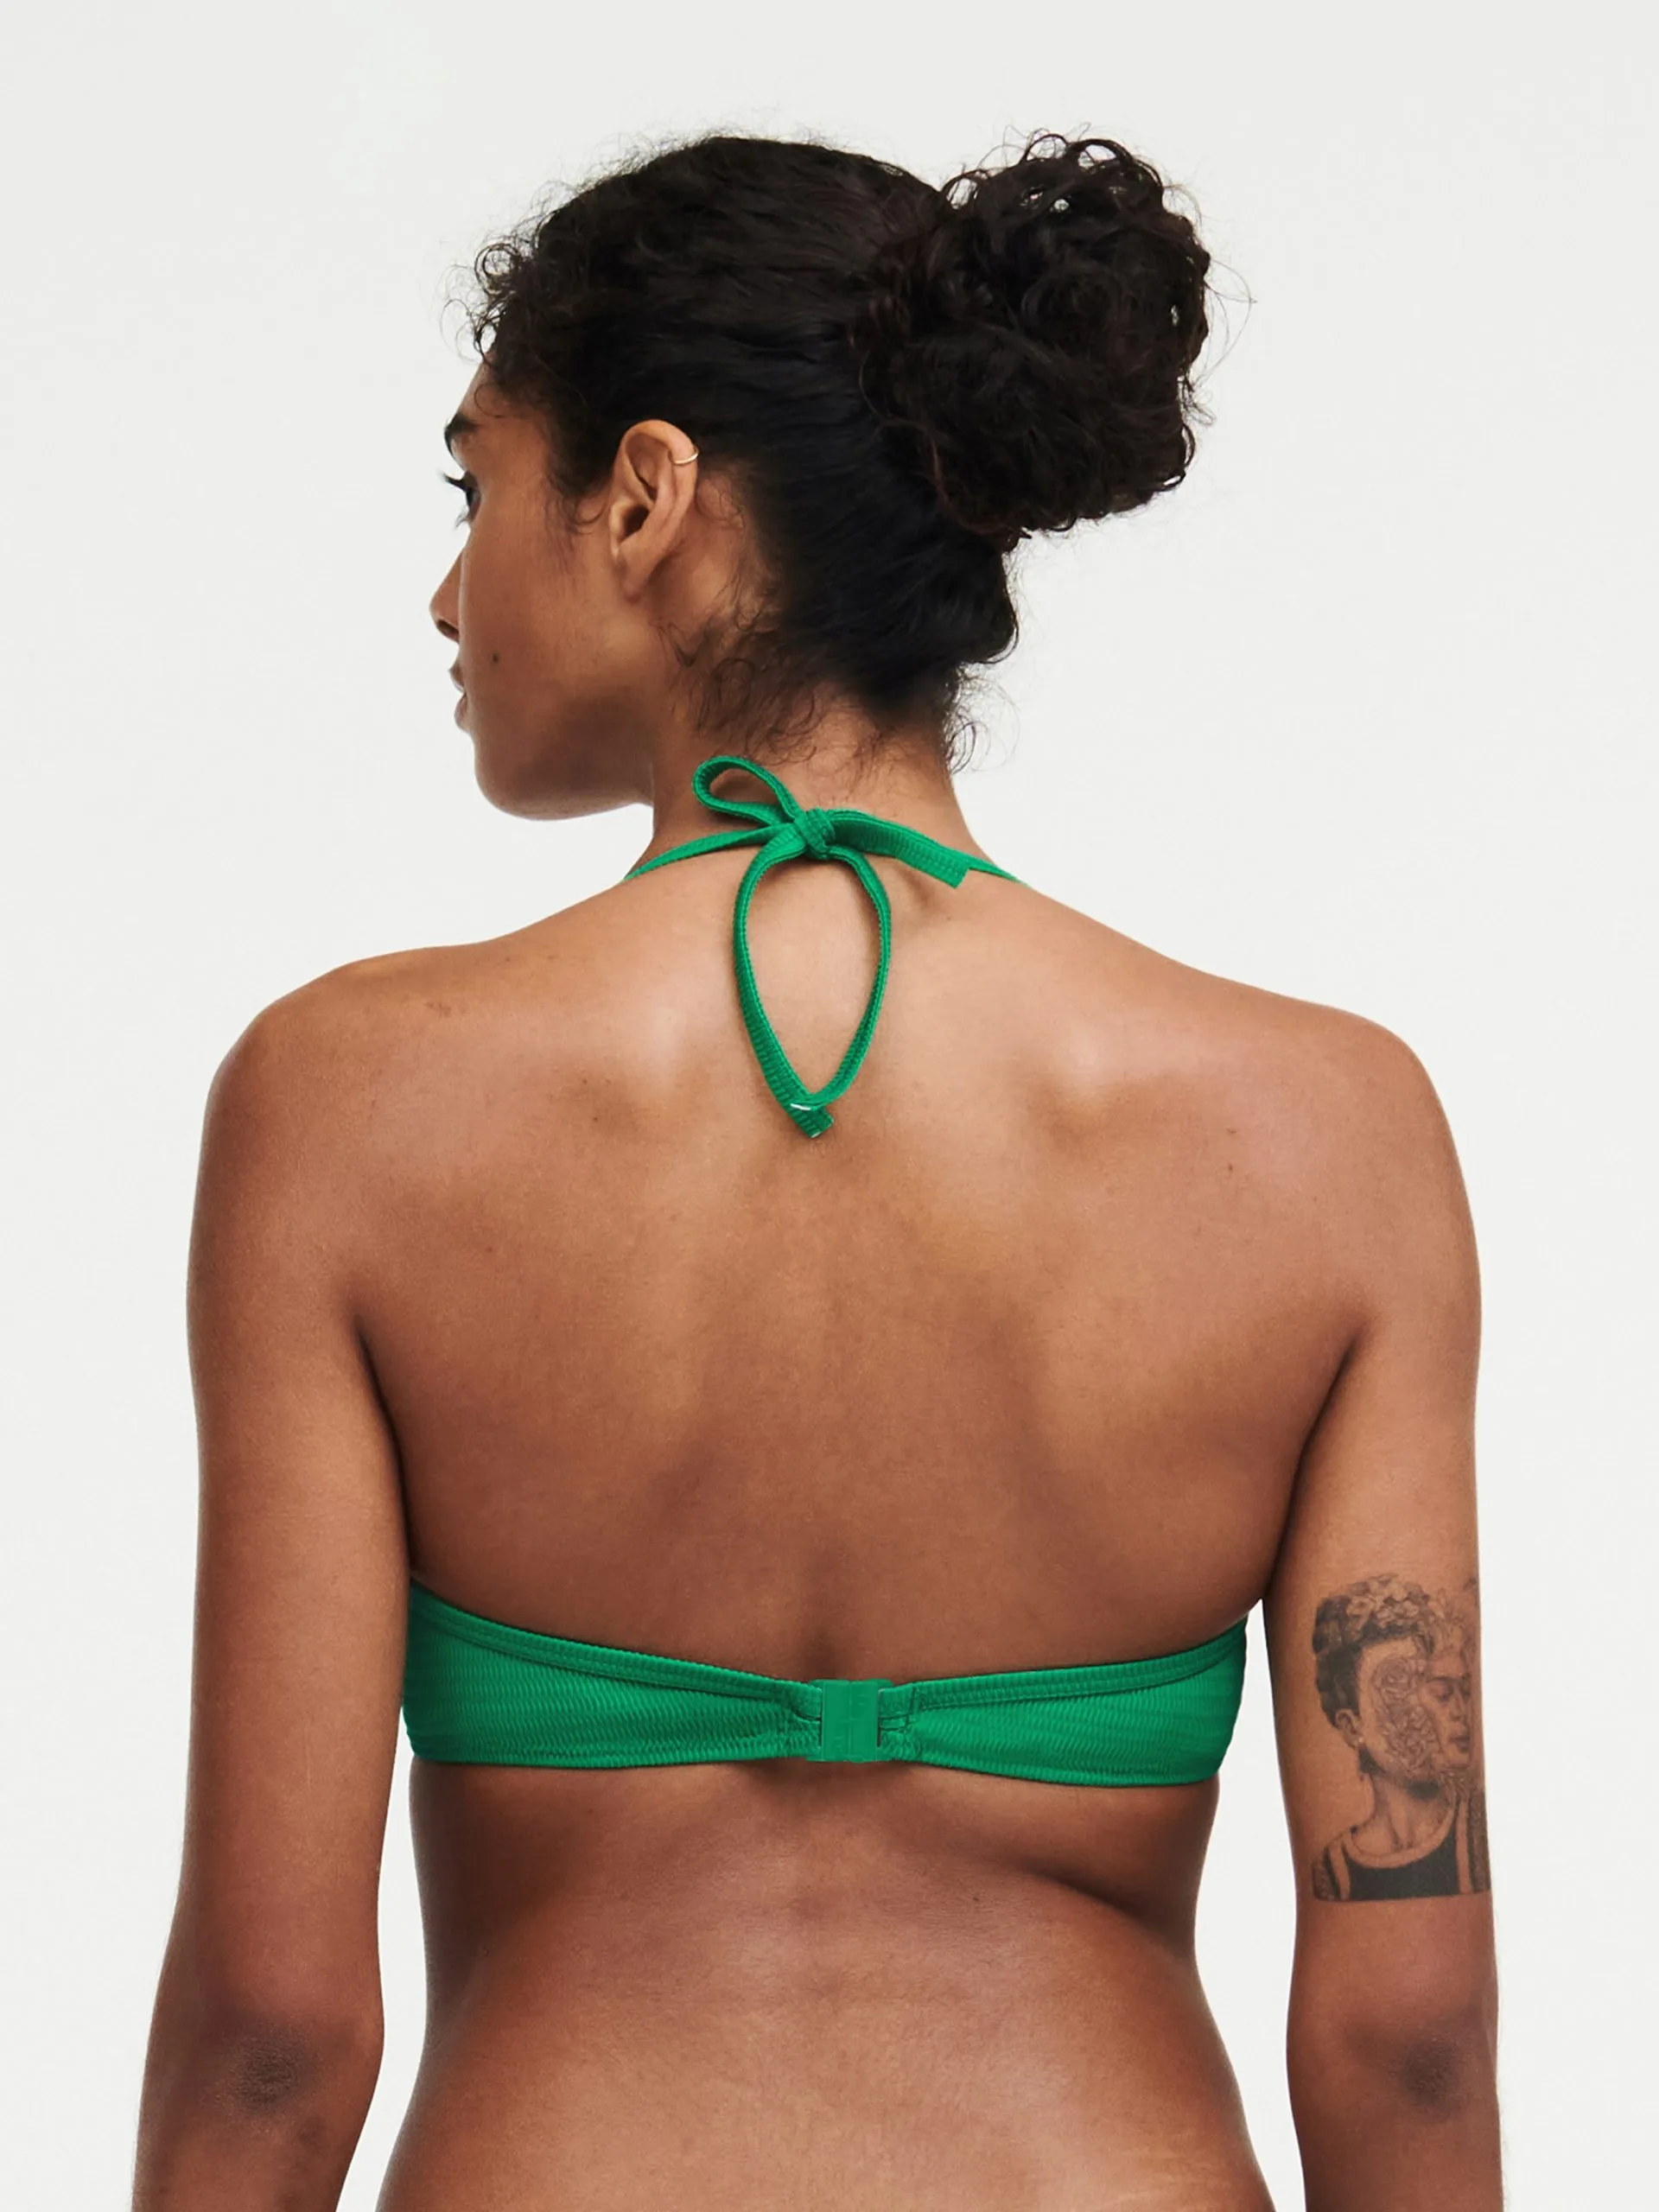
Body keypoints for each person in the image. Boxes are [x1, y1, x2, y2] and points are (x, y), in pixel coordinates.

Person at [132, 130, 1501, 2211]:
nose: (447, 589)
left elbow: (272, 2027)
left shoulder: (348, 1103)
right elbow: (1410, 2028)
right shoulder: (1331, 1131)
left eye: (474, 487)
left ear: (645, 496)